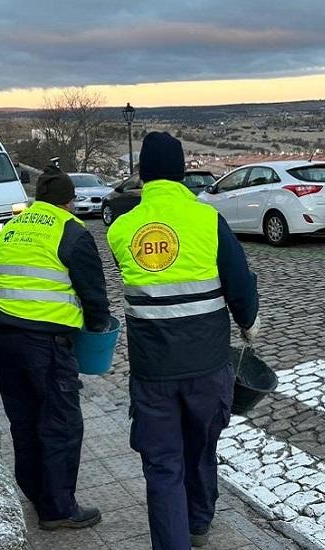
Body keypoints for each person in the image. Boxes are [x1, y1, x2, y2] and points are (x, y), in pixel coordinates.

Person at [106, 132, 260, 549]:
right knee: (201, 448)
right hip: (207, 365)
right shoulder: (208, 220)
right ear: (181, 173)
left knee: (162, 465)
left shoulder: (121, 229)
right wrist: (249, 323)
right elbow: (240, 284)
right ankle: (199, 520)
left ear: (143, 176)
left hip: (153, 370)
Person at [0, 165, 111, 531]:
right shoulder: (71, 230)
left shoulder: (13, 227)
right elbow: (93, 292)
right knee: (60, 422)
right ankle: (57, 509)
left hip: (3, 335)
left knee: (23, 420)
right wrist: (98, 326)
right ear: (69, 200)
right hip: (46, 341)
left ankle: (36, 492)